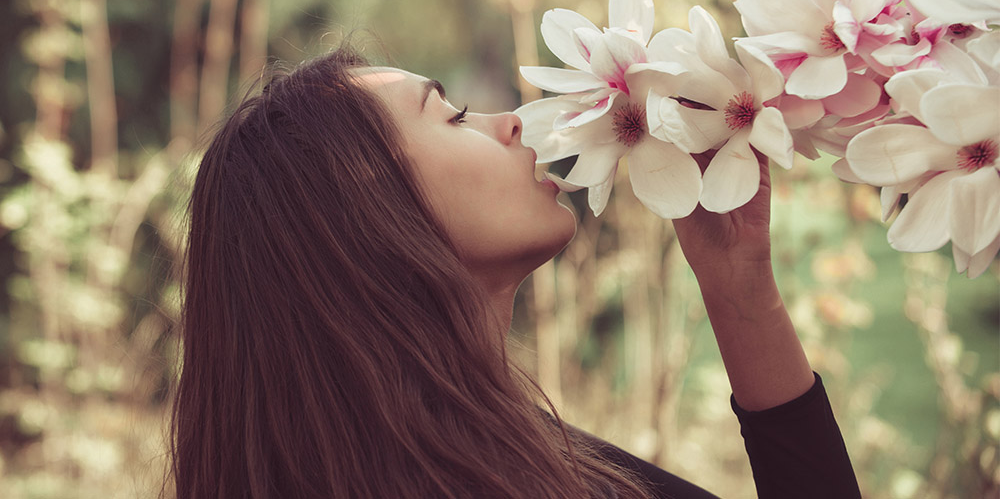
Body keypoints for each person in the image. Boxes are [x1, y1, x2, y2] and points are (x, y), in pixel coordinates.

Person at [168, 47, 862, 499]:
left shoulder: (504, 454)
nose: (514, 124)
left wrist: (740, 290)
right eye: (455, 115)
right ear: (362, 210)